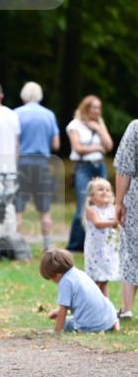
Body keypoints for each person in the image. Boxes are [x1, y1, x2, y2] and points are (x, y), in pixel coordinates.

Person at [13, 81, 60, 251]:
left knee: (18, 207)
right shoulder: (49, 115)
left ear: (23, 95)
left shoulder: (16, 114)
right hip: (42, 164)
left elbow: (14, 143)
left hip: (22, 164)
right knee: (45, 208)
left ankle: (17, 245)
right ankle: (47, 245)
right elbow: (56, 144)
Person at [65, 95, 113, 252]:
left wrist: (99, 129)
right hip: (83, 167)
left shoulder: (100, 124)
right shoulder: (75, 125)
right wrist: (97, 148)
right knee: (82, 207)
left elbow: (109, 145)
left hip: (99, 166)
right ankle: (75, 245)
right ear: (86, 108)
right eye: (94, 107)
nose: (97, 111)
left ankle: (97, 241)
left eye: (99, 107)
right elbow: (78, 148)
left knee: (102, 204)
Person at [40, 248, 119, 333]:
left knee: (65, 323)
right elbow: (80, 301)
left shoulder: (66, 282)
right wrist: (57, 312)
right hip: (109, 318)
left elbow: (64, 308)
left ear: (57, 275)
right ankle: (113, 324)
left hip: (90, 325)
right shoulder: (79, 273)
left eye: (51, 278)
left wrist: (57, 331)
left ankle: (94, 327)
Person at [113, 118, 138, 320]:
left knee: (132, 250)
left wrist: (119, 202)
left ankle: (127, 308)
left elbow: (124, 168)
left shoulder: (135, 127)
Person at [83, 178, 119, 297]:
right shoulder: (92, 210)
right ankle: (88, 302)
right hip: (95, 250)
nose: (105, 192)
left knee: (104, 280)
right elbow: (98, 224)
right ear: (92, 196)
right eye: (100, 189)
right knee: (95, 280)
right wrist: (113, 222)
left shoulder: (112, 209)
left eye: (108, 190)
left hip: (107, 250)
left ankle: (104, 305)